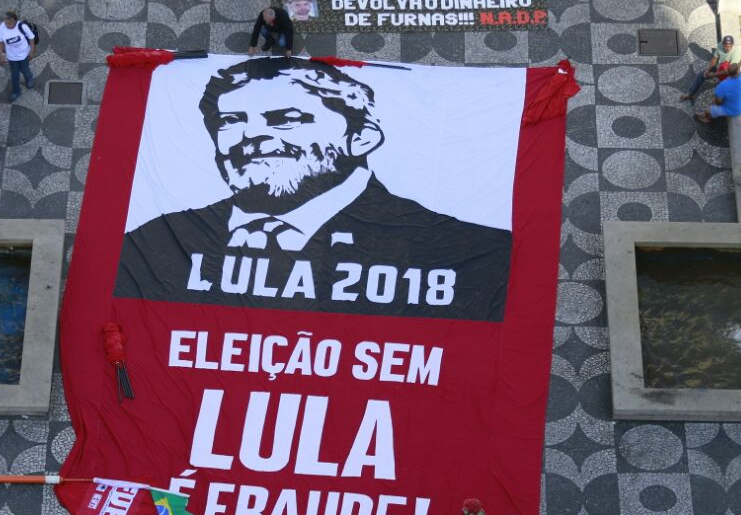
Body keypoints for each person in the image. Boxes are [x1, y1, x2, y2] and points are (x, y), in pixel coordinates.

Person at [114, 58, 513, 321]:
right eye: (231, 121)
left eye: (286, 119)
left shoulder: (469, 254)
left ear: (361, 138)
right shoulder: (149, 243)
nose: (251, 136)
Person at [697, 39, 741, 123]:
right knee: (717, 100)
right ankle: (707, 114)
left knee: (709, 109)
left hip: (734, 110)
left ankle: (708, 118)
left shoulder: (723, 85)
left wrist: (714, 105)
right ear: (738, 70)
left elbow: (718, 102)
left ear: (728, 72)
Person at [679, 35, 739, 102]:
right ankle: (689, 94)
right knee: (701, 75)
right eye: (726, 46)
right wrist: (708, 70)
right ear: (723, 44)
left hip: (729, 71)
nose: (728, 48)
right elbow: (714, 58)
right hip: (719, 66)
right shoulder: (720, 45)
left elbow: (729, 71)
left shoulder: (735, 53)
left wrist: (713, 75)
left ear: (733, 45)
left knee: (723, 87)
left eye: (730, 46)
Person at [0, 11, 37, 102]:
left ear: (14, 21)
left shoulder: (22, 27)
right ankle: (16, 92)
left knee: (25, 70)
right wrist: (1, 54)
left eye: (9, 23)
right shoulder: (2, 27)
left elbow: (31, 38)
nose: (7, 25)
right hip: (12, 57)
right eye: (6, 23)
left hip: (23, 55)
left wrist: (31, 51)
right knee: (15, 75)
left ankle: (29, 78)